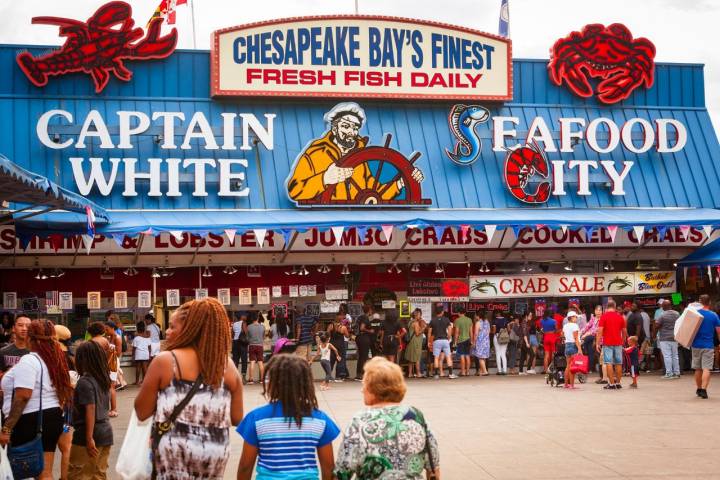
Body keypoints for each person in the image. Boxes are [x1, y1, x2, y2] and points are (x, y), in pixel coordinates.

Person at [135, 298, 244, 478]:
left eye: (172, 327)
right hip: (214, 454)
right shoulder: (227, 366)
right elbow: (237, 418)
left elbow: (141, 411)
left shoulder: (165, 361)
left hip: (174, 452)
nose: (167, 332)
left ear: (191, 329)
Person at [286, 102, 423, 203]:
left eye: (355, 128)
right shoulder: (316, 154)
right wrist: (325, 179)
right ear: (334, 129)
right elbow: (294, 190)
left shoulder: (360, 156)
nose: (351, 132)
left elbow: (373, 194)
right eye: (346, 126)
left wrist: (402, 182)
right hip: (324, 223)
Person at [236, 354, 340, 479]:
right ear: (306, 384)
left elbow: (245, 466)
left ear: (273, 383)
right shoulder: (320, 420)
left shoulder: (256, 418)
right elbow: (329, 467)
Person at [334, 357, 440, 479]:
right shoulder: (417, 416)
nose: (362, 390)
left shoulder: (360, 420)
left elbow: (342, 471)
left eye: (364, 384)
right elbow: (433, 467)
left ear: (375, 387)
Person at [0, 319, 73, 480]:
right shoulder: (53, 360)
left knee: (29, 472)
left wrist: (7, 428)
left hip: (30, 420)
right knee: (44, 473)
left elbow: (23, 396)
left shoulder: (29, 360)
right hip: (51, 418)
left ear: (31, 339)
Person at [68, 341, 113, 479]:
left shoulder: (85, 382)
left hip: (88, 434)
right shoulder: (103, 379)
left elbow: (91, 408)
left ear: (83, 359)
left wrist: (89, 438)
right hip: (105, 432)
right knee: (98, 474)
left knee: (79, 474)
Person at [692, 295, 720, 399]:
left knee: (698, 369)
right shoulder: (713, 315)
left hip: (695, 345)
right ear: (710, 303)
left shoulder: (695, 314)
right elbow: (718, 331)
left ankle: (698, 389)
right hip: (708, 345)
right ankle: (704, 390)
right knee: (706, 368)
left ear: (700, 302)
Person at [596, 300, 628, 390]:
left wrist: (598, 343)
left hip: (607, 343)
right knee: (618, 363)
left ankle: (611, 384)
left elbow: (600, 330)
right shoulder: (620, 317)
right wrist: (623, 340)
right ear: (615, 306)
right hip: (618, 343)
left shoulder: (604, 317)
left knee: (608, 362)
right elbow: (624, 331)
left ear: (606, 307)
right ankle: (618, 383)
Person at [428, 304, 456, 379]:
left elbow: (429, 332)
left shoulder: (432, 320)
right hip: (445, 340)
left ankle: (436, 374)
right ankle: (450, 374)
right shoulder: (446, 319)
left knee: (436, 357)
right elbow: (450, 329)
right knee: (448, 356)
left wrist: (429, 341)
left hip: (436, 341)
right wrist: (449, 337)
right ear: (442, 312)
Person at [655, 300, 680, 379]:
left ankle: (669, 373)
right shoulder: (677, 314)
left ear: (664, 306)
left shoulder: (662, 315)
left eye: (662, 306)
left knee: (667, 356)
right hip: (674, 337)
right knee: (675, 355)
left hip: (664, 338)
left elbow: (657, 325)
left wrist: (654, 333)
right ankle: (677, 372)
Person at [103, 321, 122, 416]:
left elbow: (118, 354)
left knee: (111, 386)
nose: (105, 331)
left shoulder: (118, 338)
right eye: (105, 329)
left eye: (107, 329)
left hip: (113, 363)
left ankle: (114, 409)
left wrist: (109, 350)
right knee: (107, 386)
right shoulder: (107, 338)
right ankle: (109, 409)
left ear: (112, 328)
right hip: (108, 362)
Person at [354, 305, 377, 380]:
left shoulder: (360, 317)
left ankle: (358, 374)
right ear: (369, 310)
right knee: (364, 357)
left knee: (361, 356)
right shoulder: (365, 317)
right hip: (364, 338)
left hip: (359, 338)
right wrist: (370, 331)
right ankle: (362, 374)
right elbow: (362, 328)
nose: (371, 312)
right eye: (371, 310)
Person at [562, 311, 583, 389]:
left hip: (567, 345)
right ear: (571, 317)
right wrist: (580, 349)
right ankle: (572, 385)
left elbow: (562, 335)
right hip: (573, 346)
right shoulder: (575, 326)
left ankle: (566, 384)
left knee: (568, 366)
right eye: (575, 317)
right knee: (573, 367)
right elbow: (576, 338)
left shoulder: (565, 326)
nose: (576, 318)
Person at [581, 305, 601, 378]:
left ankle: (591, 368)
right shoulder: (593, 318)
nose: (598, 312)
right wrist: (581, 332)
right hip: (590, 337)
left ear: (602, 311)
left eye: (600, 310)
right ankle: (589, 368)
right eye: (597, 310)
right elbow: (587, 326)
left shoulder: (602, 319)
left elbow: (597, 330)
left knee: (592, 352)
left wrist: (587, 334)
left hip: (597, 338)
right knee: (590, 353)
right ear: (595, 311)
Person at [327, 314, 349, 381]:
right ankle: (338, 376)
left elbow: (327, 334)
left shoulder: (330, 326)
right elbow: (347, 336)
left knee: (331, 360)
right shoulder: (343, 327)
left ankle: (329, 376)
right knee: (340, 360)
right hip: (340, 345)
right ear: (341, 320)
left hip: (332, 344)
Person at [404, 309, 424, 378]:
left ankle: (410, 373)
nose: (420, 316)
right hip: (416, 342)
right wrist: (423, 329)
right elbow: (417, 333)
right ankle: (418, 373)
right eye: (419, 315)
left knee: (411, 359)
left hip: (411, 342)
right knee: (417, 358)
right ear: (416, 316)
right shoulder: (415, 323)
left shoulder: (410, 322)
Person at [453, 305, 473, 376]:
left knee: (462, 356)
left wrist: (455, 342)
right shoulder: (469, 320)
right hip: (468, 339)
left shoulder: (457, 320)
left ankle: (463, 372)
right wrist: (472, 340)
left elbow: (456, 333)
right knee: (467, 355)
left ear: (459, 312)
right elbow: (471, 332)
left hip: (461, 340)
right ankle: (467, 371)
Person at [247, 314, 266, 385]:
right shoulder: (262, 327)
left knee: (252, 362)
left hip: (252, 345)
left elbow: (247, 336)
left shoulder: (249, 327)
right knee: (260, 362)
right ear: (258, 318)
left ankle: (251, 379)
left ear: (252, 319)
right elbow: (263, 337)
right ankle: (262, 379)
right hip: (260, 346)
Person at [232, 313, 249, 381]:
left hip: (235, 342)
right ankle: (243, 377)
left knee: (235, 360)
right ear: (241, 317)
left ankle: (234, 377)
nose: (246, 316)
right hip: (242, 343)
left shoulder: (234, 324)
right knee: (244, 360)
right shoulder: (244, 323)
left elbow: (232, 334)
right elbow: (246, 332)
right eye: (245, 315)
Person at [492, 311, 509, 375]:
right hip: (505, 336)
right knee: (503, 354)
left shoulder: (495, 320)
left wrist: (492, 332)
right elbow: (509, 329)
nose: (495, 314)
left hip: (497, 336)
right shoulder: (506, 320)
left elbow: (494, 331)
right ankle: (505, 370)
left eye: (496, 313)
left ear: (498, 313)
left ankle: (499, 370)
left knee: (498, 354)